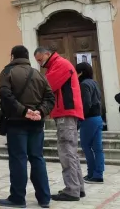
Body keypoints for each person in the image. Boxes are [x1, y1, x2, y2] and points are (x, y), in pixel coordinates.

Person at [0, 45, 55, 209]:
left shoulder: (7, 72)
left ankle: (17, 198)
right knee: (37, 158)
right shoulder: (38, 75)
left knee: (18, 159)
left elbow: (5, 94)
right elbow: (50, 97)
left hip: (16, 122)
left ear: (13, 56)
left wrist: (23, 111)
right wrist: (40, 112)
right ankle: (44, 198)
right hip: (36, 123)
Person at [34, 47, 85, 202]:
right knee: (71, 152)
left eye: (40, 59)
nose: (40, 63)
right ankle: (78, 188)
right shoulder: (57, 64)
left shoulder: (60, 64)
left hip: (66, 112)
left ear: (47, 54)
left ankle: (71, 190)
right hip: (66, 112)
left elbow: (47, 86)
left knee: (66, 151)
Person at [76, 62, 105, 184]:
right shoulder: (94, 83)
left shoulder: (83, 84)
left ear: (81, 72)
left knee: (86, 147)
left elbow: (86, 104)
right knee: (98, 148)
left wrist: (79, 119)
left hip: (88, 119)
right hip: (98, 117)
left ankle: (91, 173)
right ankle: (98, 174)